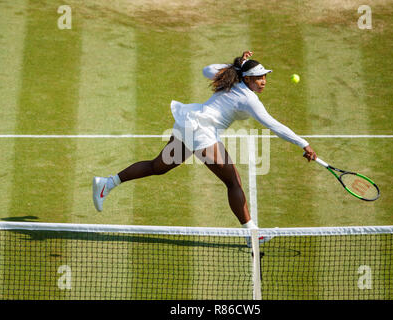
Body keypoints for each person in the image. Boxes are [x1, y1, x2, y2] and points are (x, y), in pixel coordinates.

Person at [93, 51, 317, 230]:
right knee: (233, 181)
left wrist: (236, 67)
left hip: (189, 122)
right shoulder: (250, 100)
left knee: (158, 166)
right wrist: (303, 143)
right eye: (259, 77)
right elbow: (273, 125)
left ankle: (106, 183)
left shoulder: (233, 80)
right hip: (201, 131)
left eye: (265, 77)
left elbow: (208, 70)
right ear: (247, 78)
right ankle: (251, 233)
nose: (264, 81)